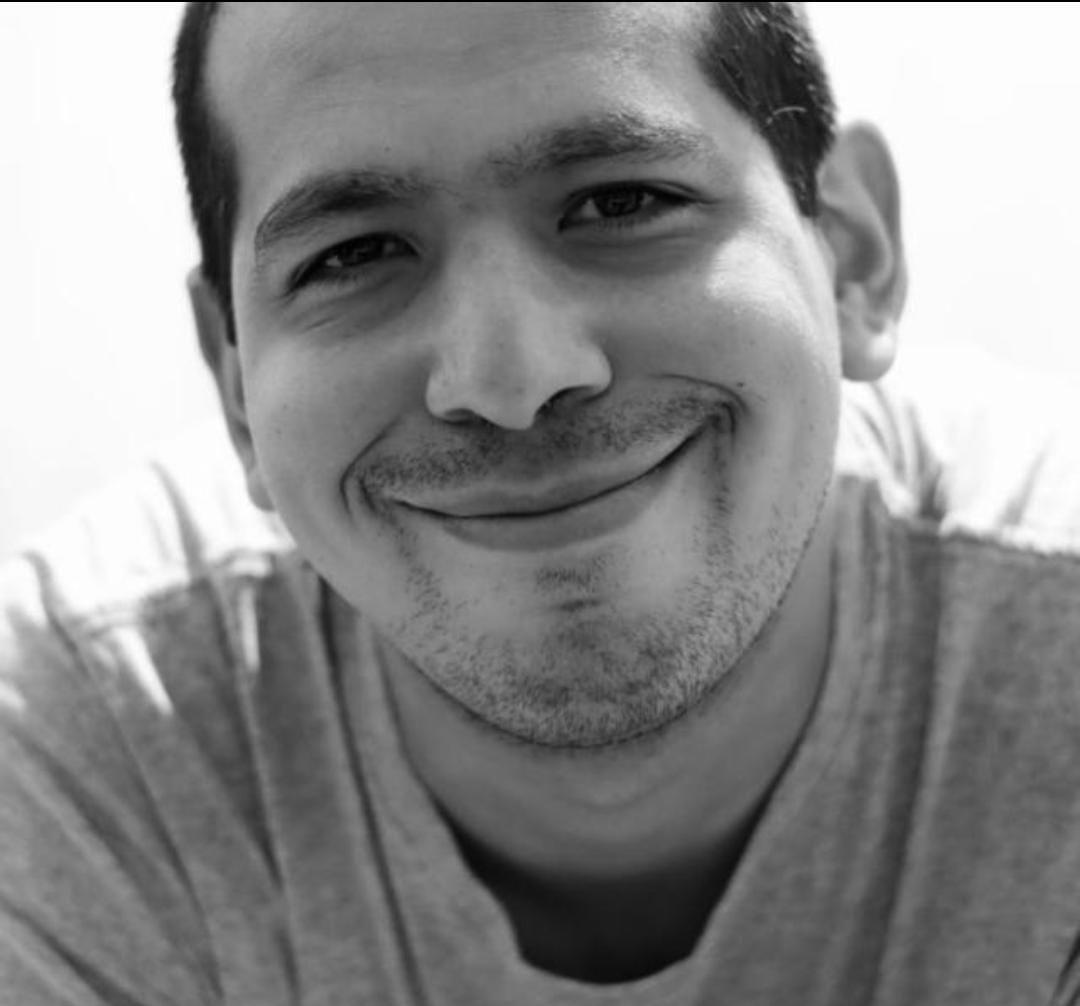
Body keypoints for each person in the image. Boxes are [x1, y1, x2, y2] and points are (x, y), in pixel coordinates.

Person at [1, 2, 1079, 1003]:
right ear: (236, 386)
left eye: (622, 201)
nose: (511, 381)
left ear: (850, 257)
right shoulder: (73, 754)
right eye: (355, 255)